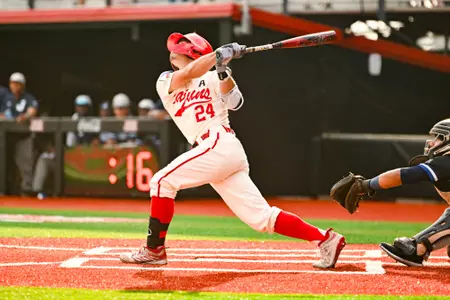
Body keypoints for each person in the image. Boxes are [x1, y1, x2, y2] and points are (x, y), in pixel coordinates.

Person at [119, 32, 346, 269]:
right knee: (261, 219)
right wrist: (218, 55)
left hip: (220, 143)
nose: (172, 53)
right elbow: (188, 73)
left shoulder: (214, 77)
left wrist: (223, 72)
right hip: (214, 151)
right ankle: (326, 239)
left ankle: (154, 251)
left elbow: (235, 102)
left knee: (161, 182)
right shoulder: (166, 80)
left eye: (179, 48)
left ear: (193, 51)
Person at [329, 118, 450, 267]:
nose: (432, 142)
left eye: (439, 138)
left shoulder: (446, 164)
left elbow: (403, 175)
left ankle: (418, 248)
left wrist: (366, 185)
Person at [0, 72, 38, 195]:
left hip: (22, 136)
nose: (15, 86)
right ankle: (4, 190)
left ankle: (26, 192)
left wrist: (25, 116)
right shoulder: (6, 96)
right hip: (6, 136)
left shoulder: (27, 98)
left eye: (17, 84)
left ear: (22, 85)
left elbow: (33, 110)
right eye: (13, 83)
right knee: (5, 164)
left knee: (25, 165)